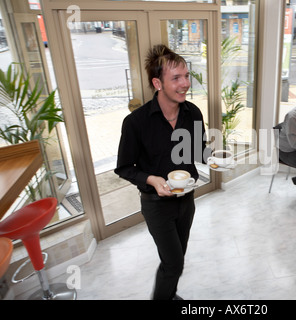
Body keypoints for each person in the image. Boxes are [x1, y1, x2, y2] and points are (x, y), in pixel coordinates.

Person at [114, 44, 209, 300]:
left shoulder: (193, 113)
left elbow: (197, 151)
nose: (185, 83)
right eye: (176, 78)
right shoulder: (136, 122)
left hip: (186, 201)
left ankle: (168, 294)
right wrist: (151, 179)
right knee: (174, 263)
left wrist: (216, 157)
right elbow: (124, 167)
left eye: (186, 76)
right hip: (157, 206)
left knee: (175, 259)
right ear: (157, 83)